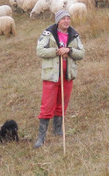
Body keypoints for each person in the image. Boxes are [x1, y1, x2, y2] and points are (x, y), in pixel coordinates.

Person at [33, 9, 84, 148]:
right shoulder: (48, 34)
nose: (66, 21)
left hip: (67, 75)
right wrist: (57, 51)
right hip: (51, 75)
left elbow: (81, 53)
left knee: (62, 103)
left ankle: (58, 129)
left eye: (68, 18)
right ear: (58, 21)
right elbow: (40, 50)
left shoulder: (74, 34)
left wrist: (69, 50)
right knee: (47, 104)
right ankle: (41, 137)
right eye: (63, 19)